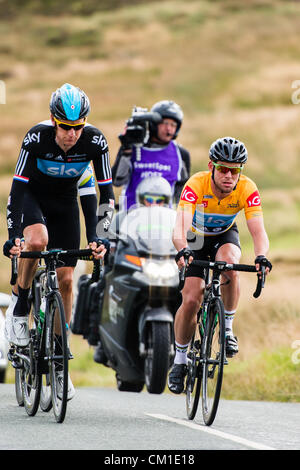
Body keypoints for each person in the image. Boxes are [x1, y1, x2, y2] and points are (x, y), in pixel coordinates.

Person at [3, 83, 114, 399]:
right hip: (34, 200)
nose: (72, 134)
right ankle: (21, 304)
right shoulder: (36, 138)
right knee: (37, 242)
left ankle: (60, 362)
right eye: (65, 127)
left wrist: (100, 238)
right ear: (54, 120)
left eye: (78, 127)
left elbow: (104, 194)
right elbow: (17, 191)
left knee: (66, 279)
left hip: (66, 204)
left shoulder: (95, 141)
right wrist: (13, 236)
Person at [168, 136, 272, 394]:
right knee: (191, 299)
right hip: (196, 237)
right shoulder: (196, 184)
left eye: (234, 170)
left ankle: (227, 330)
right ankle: (180, 360)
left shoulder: (247, 188)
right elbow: (180, 228)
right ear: (211, 166)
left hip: (225, 234)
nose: (228, 175)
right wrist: (182, 249)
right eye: (223, 168)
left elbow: (258, 232)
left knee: (230, 266)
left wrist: (261, 257)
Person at [112, 100, 190, 210]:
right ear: (154, 123)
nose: (169, 129)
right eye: (165, 123)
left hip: (164, 221)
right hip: (131, 217)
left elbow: (182, 194)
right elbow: (117, 181)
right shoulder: (134, 147)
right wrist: (126, 150)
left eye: (173, 125)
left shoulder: (181, 154)